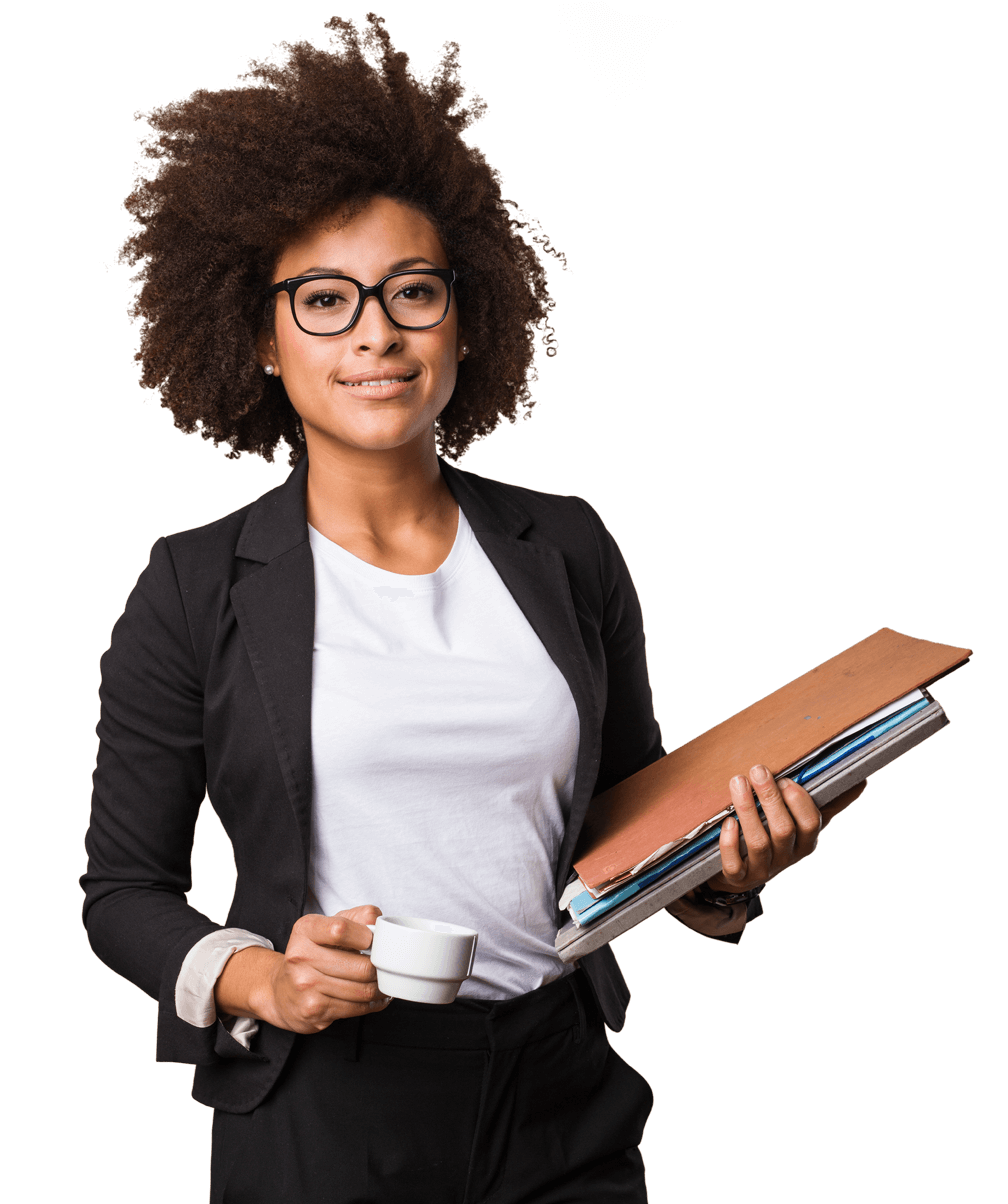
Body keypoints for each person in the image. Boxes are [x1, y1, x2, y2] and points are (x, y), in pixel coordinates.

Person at [82, 16, 866, 1202]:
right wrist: (258, 979)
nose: (378, 335)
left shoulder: (568, 543)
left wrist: (729, 873)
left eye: (412, 291)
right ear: (258, 335)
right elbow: (121, 892)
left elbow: (629, 829)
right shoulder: (193, 582)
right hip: (328, 1105)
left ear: (464, 311)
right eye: (326, 301)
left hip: (562, 1086)